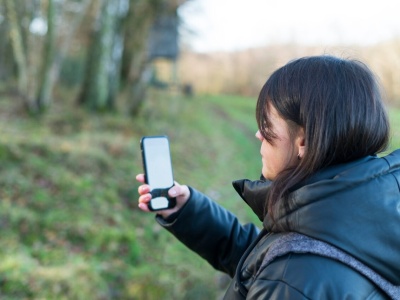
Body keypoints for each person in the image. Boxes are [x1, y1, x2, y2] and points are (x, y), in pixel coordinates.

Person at [136, 55, 400, 299]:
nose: (258, 135)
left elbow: (285, 273)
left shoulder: (292, 278)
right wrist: (188, 210)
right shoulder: (365, 211)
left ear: (305, 140)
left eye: (266, 125)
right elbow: (263, 258)